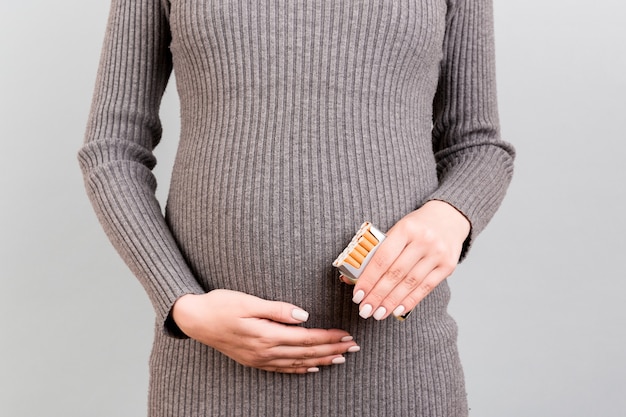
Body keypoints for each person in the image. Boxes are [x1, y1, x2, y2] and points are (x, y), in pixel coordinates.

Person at [78, 0, 515, 416]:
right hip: (208, 374)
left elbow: (477, 145)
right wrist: (181, 303)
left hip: (399, 372)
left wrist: (451, 213)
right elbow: (112, 149)